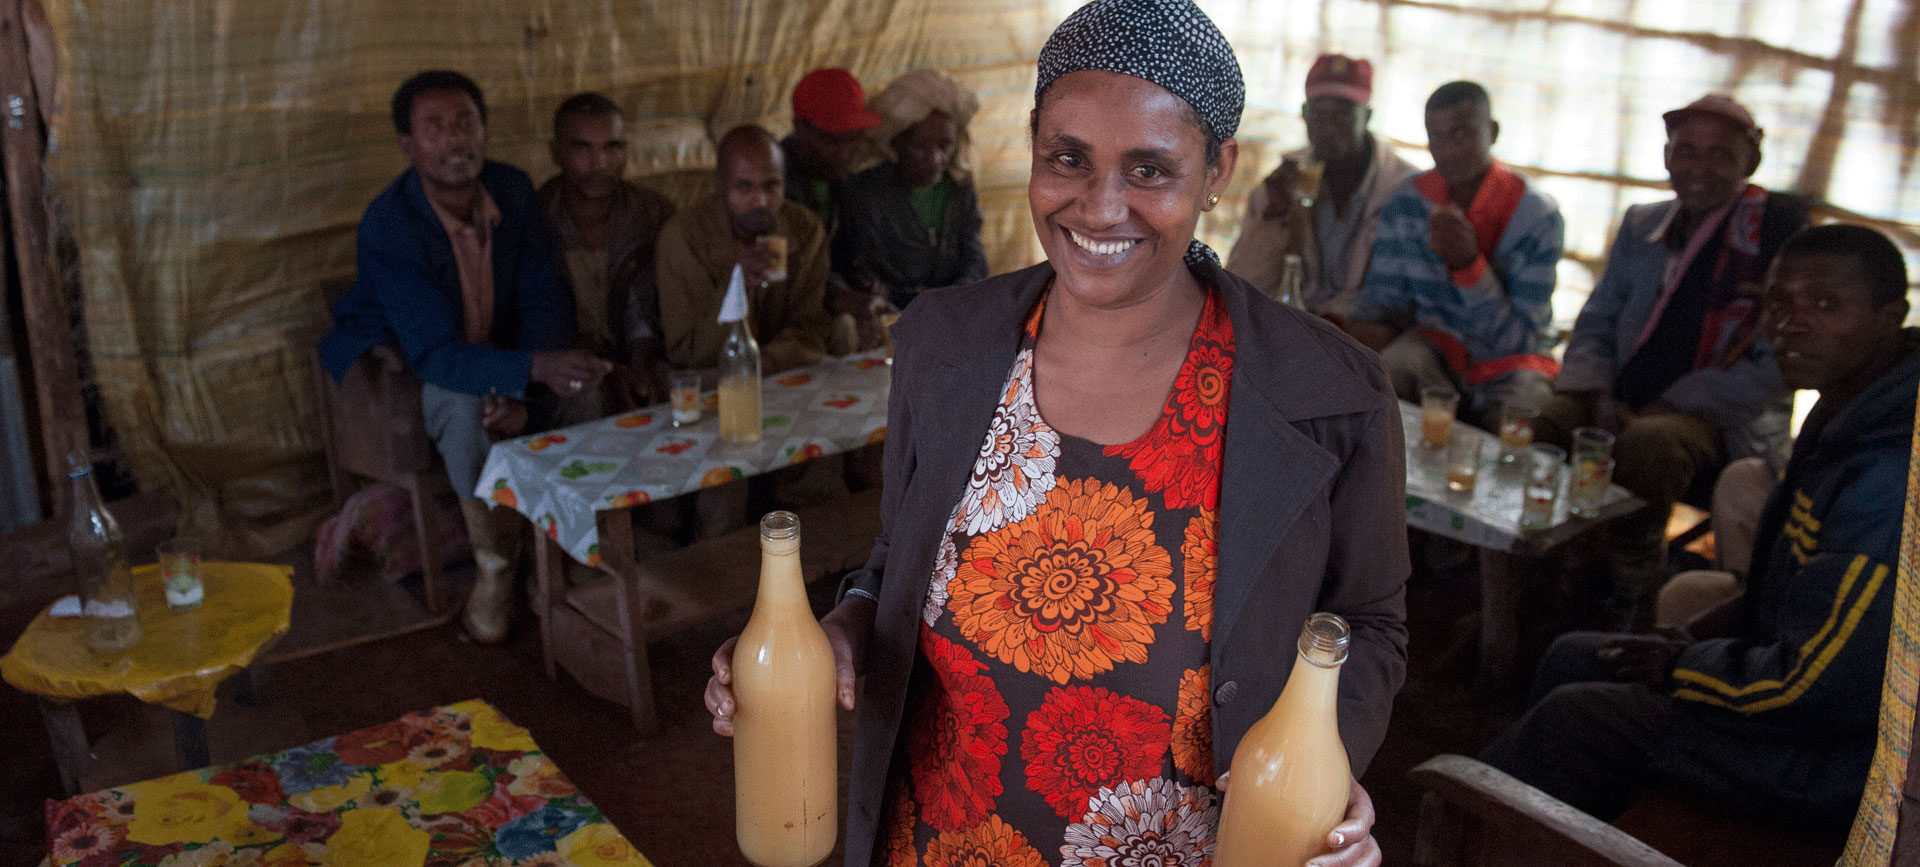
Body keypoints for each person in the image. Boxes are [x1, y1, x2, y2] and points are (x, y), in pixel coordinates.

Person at [708, 1, 1407, 864]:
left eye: (1149, 169)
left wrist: (1323, 770)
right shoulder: (945, 345)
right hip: (936, 839)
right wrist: (840, 636)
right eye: (1067, 158)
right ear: (1033, 146)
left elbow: (1369, 622)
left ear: (1218, 167)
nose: (1101, 206)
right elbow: (898, 559)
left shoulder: (1327, 395)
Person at [1481, 224, 1917, 832]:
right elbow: (1784, 594)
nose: (1791, 323)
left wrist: (1685, 669)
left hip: (1844, 761)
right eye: (1778, 303)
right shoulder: (1847, 408)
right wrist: (1685, 640)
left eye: (1825, 304)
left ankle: (1483, 827)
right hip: (1801, 698)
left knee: (1578, 720)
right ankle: (1544, 831)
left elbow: (1818, 688)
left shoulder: (1891, 476)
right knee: (1577, 656)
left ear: (1890, 315)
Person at [318, 70, 608, 643]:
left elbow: (544, 297)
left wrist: (532, 381)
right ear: (408, 145)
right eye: (434, 128)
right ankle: (497, 567)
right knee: (459, 404)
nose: (454, 141)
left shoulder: (514, 190)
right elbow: (432, 353)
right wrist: (523, 373)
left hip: (507, 357)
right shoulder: (390, 223)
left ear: (484, 128)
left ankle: (564, 546)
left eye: (465, 123)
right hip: (424, 370)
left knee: (586, 384)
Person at [1540, 93, 1806, 623]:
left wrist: (1668, 402)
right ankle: (1547, 567)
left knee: (1648, 445)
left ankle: (1628, 588)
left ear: (1748, 165)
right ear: (1666, 158)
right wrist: (1598, 393)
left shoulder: (1774, 237)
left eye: (1720, 155)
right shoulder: (1644, 225)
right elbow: (1597, 319)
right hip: (1620, 393)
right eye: (1686, 152)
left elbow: (1775, 366)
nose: (1698, 169)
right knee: (1545, 421)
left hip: (1717, 414)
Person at [1349, 81, 1563, 426]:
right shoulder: (1409, 201)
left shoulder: (1536, 215)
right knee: (1394, 367)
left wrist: (1469, 266)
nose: (1449, 149)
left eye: (1463, 133)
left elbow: (1522, 340)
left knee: (1526, 408)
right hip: (1435, 351)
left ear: (1492, 132)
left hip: (1509, 366)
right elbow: (1381, 300)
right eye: (1438, 137)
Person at [1225, 53, 1416, 321]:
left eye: (1343, 115)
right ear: (1304, 115)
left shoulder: (1403, 189)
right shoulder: (1283, 183)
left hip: (1363, 334)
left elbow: (1400, 300)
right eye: (1319, 114)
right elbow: (1244, 283)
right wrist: (1276, 217)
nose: (1328, 127)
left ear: (1368, 116)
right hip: (1299, 327)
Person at [538, 91, 678, 422]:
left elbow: (662, 307)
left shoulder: (654, 216)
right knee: (584, 395)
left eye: (612, 147)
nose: (599, 164)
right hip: (567, 365)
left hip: (646, 356)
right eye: (582, 148)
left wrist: (639, 367)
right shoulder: (535, 219)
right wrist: (610, 371)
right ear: (556, 153)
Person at [655, 124, 831, 373]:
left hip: (782, 367)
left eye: (771, 186)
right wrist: (738, 285)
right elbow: (687, 350)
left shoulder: (805, 230)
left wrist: (767, 362)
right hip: (717, 372)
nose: (760, 201)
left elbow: (811, 327)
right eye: (745, 188)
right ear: (721, 186)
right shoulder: (684, 238)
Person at [832, 68, 990, 317]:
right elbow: (859, 267)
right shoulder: (867, 193)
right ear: (896, 142)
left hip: (950, 314)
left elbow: (972, 251)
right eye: (920, 145)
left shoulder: (958, 188)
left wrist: (964, 290)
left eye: (944, 145)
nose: (935, 158)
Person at [784, 67, 883, 235]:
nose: (843, 154)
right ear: (800, 128)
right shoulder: (770, 191)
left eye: (853, 138)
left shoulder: (854, 183)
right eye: (830, 140)